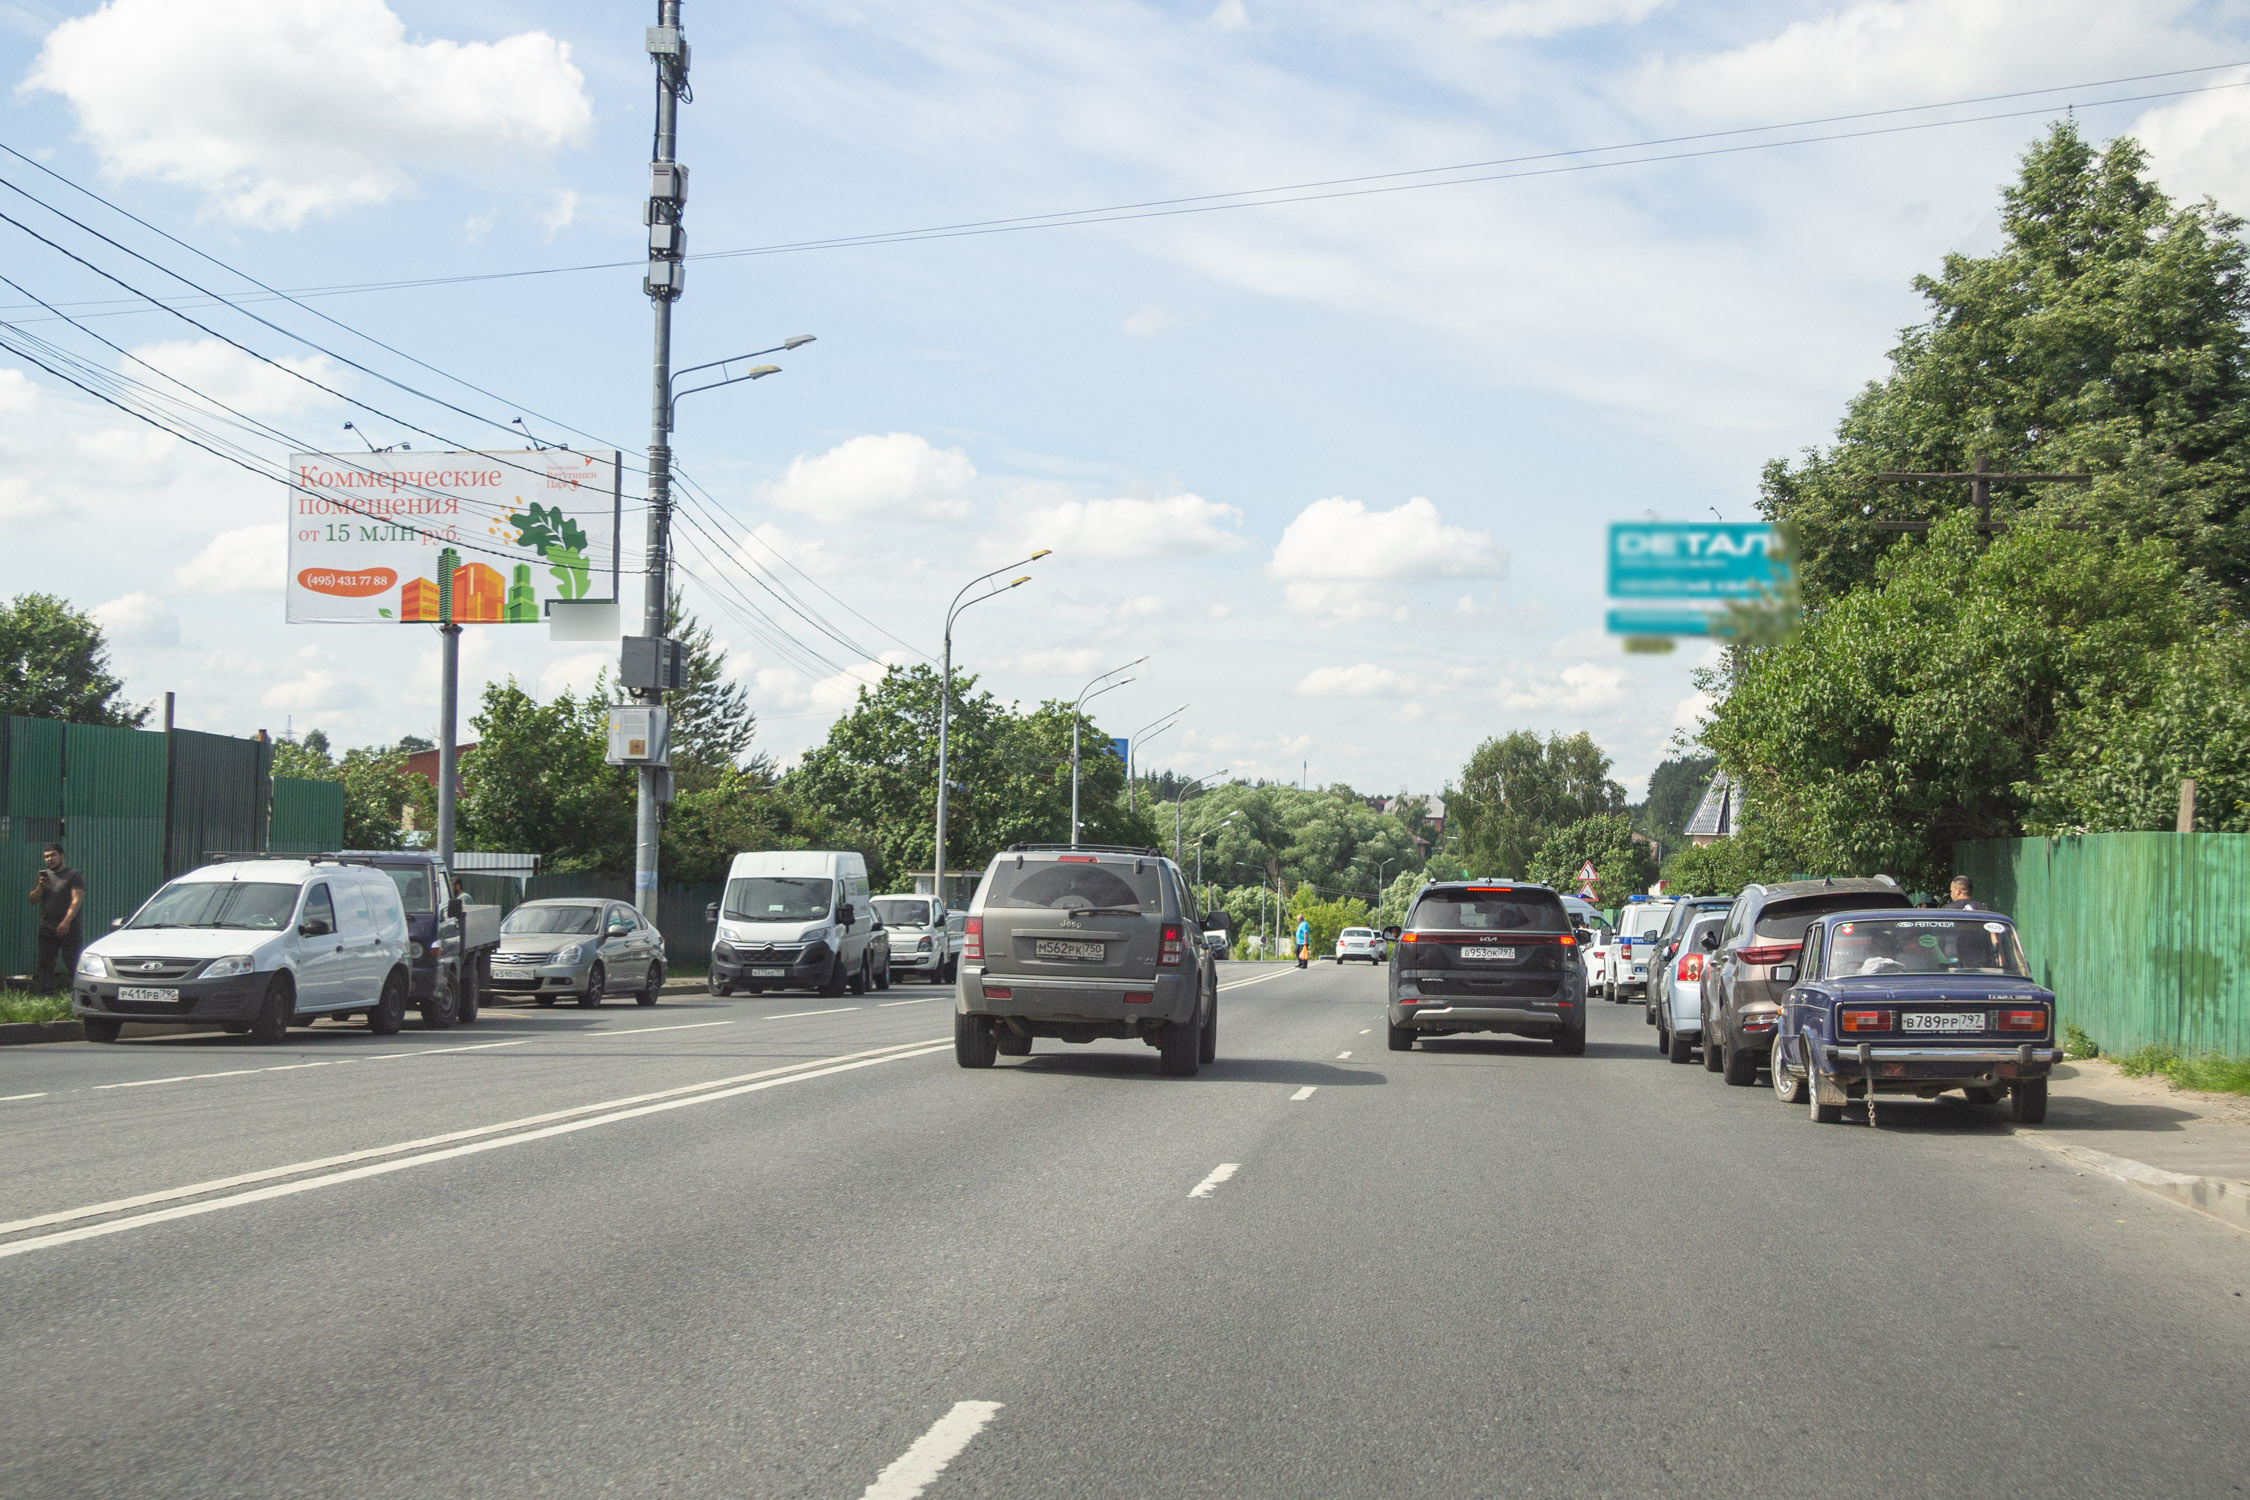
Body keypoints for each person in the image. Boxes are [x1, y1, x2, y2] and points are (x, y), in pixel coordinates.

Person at [27, 843, 84, 994]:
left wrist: (66, 921)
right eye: (46, 856)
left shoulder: (73, 875)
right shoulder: (42, 876)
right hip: (47, 927)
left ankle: (79, 995)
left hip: (69, 927)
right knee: (45, 964)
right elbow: (33, 900)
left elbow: (76, 900)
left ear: (62, 856)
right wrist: (40, 887)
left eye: (53, 855)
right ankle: (47, 997)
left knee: (72, 963)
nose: (49, 859)